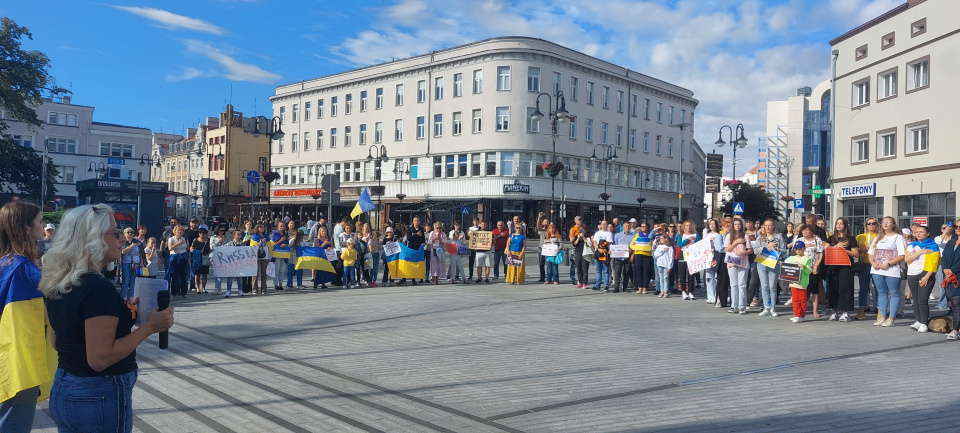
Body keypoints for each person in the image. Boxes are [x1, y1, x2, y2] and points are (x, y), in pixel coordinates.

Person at [41, 204, 174, 433]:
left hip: (65, 387)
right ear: (93, 238)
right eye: (115, 232)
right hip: (97, 393)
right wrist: (150, 327)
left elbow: (57, 341)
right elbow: (100, 359)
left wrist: (122, 313)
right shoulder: (97, 288)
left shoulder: (60, 281)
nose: (122, 238)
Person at [0, 202, 49, 433]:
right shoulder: (23, 269)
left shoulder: (5, 262)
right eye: (40, 221)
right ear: (27, 228)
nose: (44, 225)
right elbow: (44, 315)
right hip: (19, 362)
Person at [867, 216, 907, 327]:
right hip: (877, 270)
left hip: (892, 270)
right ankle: (882, 317)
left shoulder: (898, 238)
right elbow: (870, 253)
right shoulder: (878, 237)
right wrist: (873, 263)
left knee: (894, 293)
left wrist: (889, 263)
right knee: (881, 293)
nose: (885, 224)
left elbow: (902, 255)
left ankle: (891, 318)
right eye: (883, 222)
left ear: (893, 224)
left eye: (888, 222)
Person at [905, 225, 939, 333]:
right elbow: (907, 259)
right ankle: (918, 320)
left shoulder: (933, 246)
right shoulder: (912, 245)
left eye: (921, 232)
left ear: (928, 233)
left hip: (925, 274)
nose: (918, 233)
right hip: (912, 274)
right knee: (915, 299)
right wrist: (920, 252)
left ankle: (924, 322)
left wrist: (927, 276)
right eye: (917, 232)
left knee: (923, 299)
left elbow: (934, 264)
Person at [825, 218, 859, 322]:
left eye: (841, 223)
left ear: (845, 225)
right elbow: (825, 250)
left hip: (845, 266)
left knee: (845, 288)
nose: (839, 225)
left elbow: (856, 254)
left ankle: (846, 312)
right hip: (833, 266)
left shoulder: (851, 239)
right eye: (837, 223)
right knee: (833, 288)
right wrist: (836, 246)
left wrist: (845, 250)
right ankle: (834, 311)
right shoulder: (830, 238)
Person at [752, 218, 785, 316]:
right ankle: (766, 307)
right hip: (762, 263)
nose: (768, 227)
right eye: (766, 225)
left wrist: (776, 249)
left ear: (774, 226)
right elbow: (755, 250)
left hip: (773, 263)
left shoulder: (779, 237)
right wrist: (766, 247)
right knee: (764, 286)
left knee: (772, 286)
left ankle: (773, 308)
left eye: (770, 225)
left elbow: (784, 251)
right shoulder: (760, 237)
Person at [724, 218, 752, 314]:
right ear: (733, 225)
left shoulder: (746, 236)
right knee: (733, 284)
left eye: (739, 224)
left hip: (743, 262)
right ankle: (734, 306)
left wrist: (743, 252)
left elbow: (750, 250)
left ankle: (742, 306)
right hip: (732, 261)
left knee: (742, 284)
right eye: (735, 224)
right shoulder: (729, 236)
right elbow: (727, 249)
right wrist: (736, 242)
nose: (737, 226)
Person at [796, 223, 825, 317]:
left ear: (812, 231)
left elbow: (820, 254)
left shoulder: (817, 240)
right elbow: (794, 252)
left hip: (813, 267)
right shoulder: (799, 240)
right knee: (801, 289)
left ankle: (815, 310)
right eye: (803, 230)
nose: (805, 231)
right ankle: (800, 310)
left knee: (814, 290)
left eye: (807, 230)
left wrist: (816, 266)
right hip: (801, 267)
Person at [855, 217, 880, 318]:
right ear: (866, 226)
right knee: (863, 287)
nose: (871, 225)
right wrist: (864, 250)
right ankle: (862, 309)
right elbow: (855, 250)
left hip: (876, 263)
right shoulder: (860, 236)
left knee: (878, 287)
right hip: (864, 263)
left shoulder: (880, 236)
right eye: (869, 224)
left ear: (877, 225)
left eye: (873, 223)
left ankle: (879, 309)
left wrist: (873, 248)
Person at [785, 240, 813, 323]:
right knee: (795, 299)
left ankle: (802, 315)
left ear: (804, 249)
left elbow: (809, 271)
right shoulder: (792, 258)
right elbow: (787, 267)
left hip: (802, 283)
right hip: (793, 282)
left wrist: (804, 267)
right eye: (796, 249)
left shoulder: (806, 259)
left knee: (802, 300)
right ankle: (797, 314)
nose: (798, 251)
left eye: (800, 249)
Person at [940, 226, 960, 339]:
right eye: (957, 226)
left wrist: (952, 270)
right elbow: (944, 258)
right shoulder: (951, 242)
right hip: (948, 277)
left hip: (957, 276)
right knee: (953, 302)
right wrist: (945, 269)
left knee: (957, 302)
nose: (958, 229)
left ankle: (955, 330)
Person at [676, 220, 700, 300]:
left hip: (692, 255)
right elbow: (679, 245)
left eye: (690, 225)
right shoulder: (681, 235)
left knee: (691, 275)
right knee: (682, 274)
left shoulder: (696, 235)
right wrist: (687, 240)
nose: (688, 227)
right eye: (687, 225)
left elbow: (699, 245)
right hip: (683, 254)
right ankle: (683, 291)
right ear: (684, 227)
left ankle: (691, 291)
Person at [222, 230, 249, 297]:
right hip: (232, 262)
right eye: (238, 234)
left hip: (240, 262)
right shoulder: (230, 243)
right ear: (234, 235)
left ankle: (240, 290)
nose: (239, 235)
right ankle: (228, 290)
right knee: (230, 277)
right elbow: (223, 248)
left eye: (240, 234)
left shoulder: (242, 244)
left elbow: (247, 251)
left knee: (239, 277)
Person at [630, 221, 655, 294]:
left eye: (644, 226)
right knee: (639, 271)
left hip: (647, 255)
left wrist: (652, 243)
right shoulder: (637, 235)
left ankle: (645, 288)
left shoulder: (651, 235)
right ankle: (640, 287)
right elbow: (632, 245)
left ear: (647, 227)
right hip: (638, 254)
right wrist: (634, 244)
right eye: (642, 226)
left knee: (646, 272)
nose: (642, 228)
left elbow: (654, 244)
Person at [703, 219, 723, 305]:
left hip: (716, 256)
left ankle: (716, 295)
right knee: (709, 277)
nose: (712, 226)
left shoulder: (719, 235)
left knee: (716, 276)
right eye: (710, 224)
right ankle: (710, 296)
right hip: (707, 257)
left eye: (713, 224)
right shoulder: (706, 235)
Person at [166, 225, 190, 298]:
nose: (180, 232)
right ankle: (173, 293)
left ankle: (184, 293)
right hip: (175, 258)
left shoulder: (185, 239)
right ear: (175, 231)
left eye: (182, 230)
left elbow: (187, 249)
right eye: (178, 230)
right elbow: (170, 248)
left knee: (184, 276)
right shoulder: (171, 239)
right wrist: (178, 243)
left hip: (183, 258)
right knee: (175, 276)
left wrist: (189, 260)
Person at [119, 227, 142, 303]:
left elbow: (141, 253)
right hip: (126, 263)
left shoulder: (138, 242)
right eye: (128, 232)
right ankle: (124, 296)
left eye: (132, 232)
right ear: (124, 234)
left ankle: (132, 296)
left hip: (136, 263)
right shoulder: (123, 242)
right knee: (126, 280)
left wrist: (142, 262)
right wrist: (131, 246)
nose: (130, 234)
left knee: (134, 280)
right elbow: (123, 252)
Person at [610, 220, 632, 292]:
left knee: (626, 272)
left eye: (628, 226)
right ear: (622, 227)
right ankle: (616, 287)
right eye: (626, 226)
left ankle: (625, 287)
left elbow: (634, 246)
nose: (627, 227)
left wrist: (631, 250)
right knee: (617, 272)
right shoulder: (618, 235)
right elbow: (614, 245)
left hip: (627, 256)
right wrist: (611, 250)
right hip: (618, 256)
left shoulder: (632, 236)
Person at [570, 216, 590, 289]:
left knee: (585, 268)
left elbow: (588, 244)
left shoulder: (587, 236)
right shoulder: (577, 236)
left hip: (585, 253)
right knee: (579, 267)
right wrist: (578, 238)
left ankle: (585, 282)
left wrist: (584, 237)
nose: (582, 231)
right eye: (580, 230)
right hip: (578, 252)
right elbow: (574, 244)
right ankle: (580, 281)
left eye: (583, 230)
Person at [592, 220, 612, 291]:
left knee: (606, 270)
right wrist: (597, 248)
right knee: (598, 270)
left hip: (605, 253)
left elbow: (609, 243)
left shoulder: (609, 233)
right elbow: (594, 241)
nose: (603, 226)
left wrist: (603, 249)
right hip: (598, 253)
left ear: (607, 225)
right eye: (602, 224)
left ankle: (606, 285)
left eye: (605, 224)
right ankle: (597, 285)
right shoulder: (597, 233)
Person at [251, 223, 271, 294]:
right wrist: (259, 244)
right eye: (260, 227)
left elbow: (270, 246)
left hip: (265, 257)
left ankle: (264, 288)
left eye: (263, 227)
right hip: (256, 257)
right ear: (257, 228)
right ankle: (254, 289)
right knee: (255, 273)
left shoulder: (266, 236)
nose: (262, 228)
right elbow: (252, 248)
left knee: (264, 273)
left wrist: (270, 256)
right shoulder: (254, 236)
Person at [190, 228, 211, 294]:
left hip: (205, 258)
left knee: (205, 274)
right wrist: (198, 251)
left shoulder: (208, 240)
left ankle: (204, 288)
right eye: (200, 233)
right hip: (197, 259)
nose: (202, 234)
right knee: (197, 274)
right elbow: (191, 249)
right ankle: (198, 288)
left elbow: (211, 248)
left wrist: (210, 251)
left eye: (203, 233)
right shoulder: (195, 240)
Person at [271, 222, 290, 291]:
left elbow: (288, 243)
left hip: (284, 253)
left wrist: (285, 244)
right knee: (277, 270)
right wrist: (280, 241)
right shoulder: (274, 234)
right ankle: (276, 285)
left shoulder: (285, 234)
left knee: (282, 270)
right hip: (277, 253)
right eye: (280, 226)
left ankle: (280, 284)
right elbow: (273, 245)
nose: (282, 227)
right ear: (278, 227)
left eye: (283, 226)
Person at [537, 214, 549, 282]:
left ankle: (549, 276)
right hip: (542, 248)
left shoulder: (550, 230)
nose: (546, 223)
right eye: (545, 222)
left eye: (547, 222)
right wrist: (539, 218)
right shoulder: (541, 230)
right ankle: (542, 277)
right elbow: (538, 226)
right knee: (541, 263)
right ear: (542, 223)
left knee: (549, 263)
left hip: (549, 248)